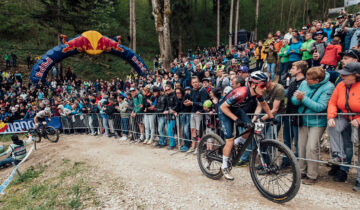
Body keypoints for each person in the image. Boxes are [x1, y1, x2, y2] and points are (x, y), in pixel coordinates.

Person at [219, 71, 276, 180]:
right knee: (229, 139)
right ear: (253, 85)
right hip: (224, 109)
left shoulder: (257, 93)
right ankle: (225, 166)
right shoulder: (241, 92)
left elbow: (264, 104)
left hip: (235, 108)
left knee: (250, 127)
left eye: (266, 85)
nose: (264, 88)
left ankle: (237, 142)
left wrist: (271, 117)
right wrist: (236, 120)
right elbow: (223, 107)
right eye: (262, 85)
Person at [291, 66, 335, 185]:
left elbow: (320, 107)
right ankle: (301, 171)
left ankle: (312, 175)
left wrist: (303, 98)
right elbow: (294, 101)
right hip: (303, 120)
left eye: (309, 79)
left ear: (317, 80)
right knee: (301, 146)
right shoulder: (304, 83)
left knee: (312, 147)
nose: (306, 80)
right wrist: (298, 99)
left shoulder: (329, 87)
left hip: (317, 122)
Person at [327, 62, 360, 186]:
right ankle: (340, 161)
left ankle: (359, 179)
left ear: (356, 76)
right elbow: (332, 102)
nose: (343, 77)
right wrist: (331, 117)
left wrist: (358, 120)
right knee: (346, 145)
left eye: (346, 75)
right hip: (346, 118)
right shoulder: (340, 85)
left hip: (358, 119)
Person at [283, 61, 308, 165]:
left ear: (299, 70)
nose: (291, 70)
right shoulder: (292, 82)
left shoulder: (305, 83)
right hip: (288, 114)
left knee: (298, 141)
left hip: (297, 115)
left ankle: (298, 163)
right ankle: (286, 160)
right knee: (286, 140)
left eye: (293, 68)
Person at [184, 76, 209, 153]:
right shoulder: (191, 91)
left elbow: (203, 103)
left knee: (199, 131)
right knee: (193, 130)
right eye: (193, 82)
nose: (195, 84)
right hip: (193, 112)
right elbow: (191, 102)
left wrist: (192, 103)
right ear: (191, 84)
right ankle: (193, 146)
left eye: (196, 82)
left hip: (199, 113)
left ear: (199, 82)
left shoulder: (203, 90)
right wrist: (187, 103)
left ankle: (199, 147)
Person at [164, 84, 178, 150]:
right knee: (168, 130)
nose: (167, 91)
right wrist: (166, 110)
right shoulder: (166, 97)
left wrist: (171, 111)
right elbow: (166, 106)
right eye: (166, 90)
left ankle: (172, 144)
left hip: (173, 115)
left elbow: (176, 105)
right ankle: (171, 143)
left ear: (171, 89)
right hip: (168, 115)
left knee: (170, 129)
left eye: (168, 89)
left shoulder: (175, 96)